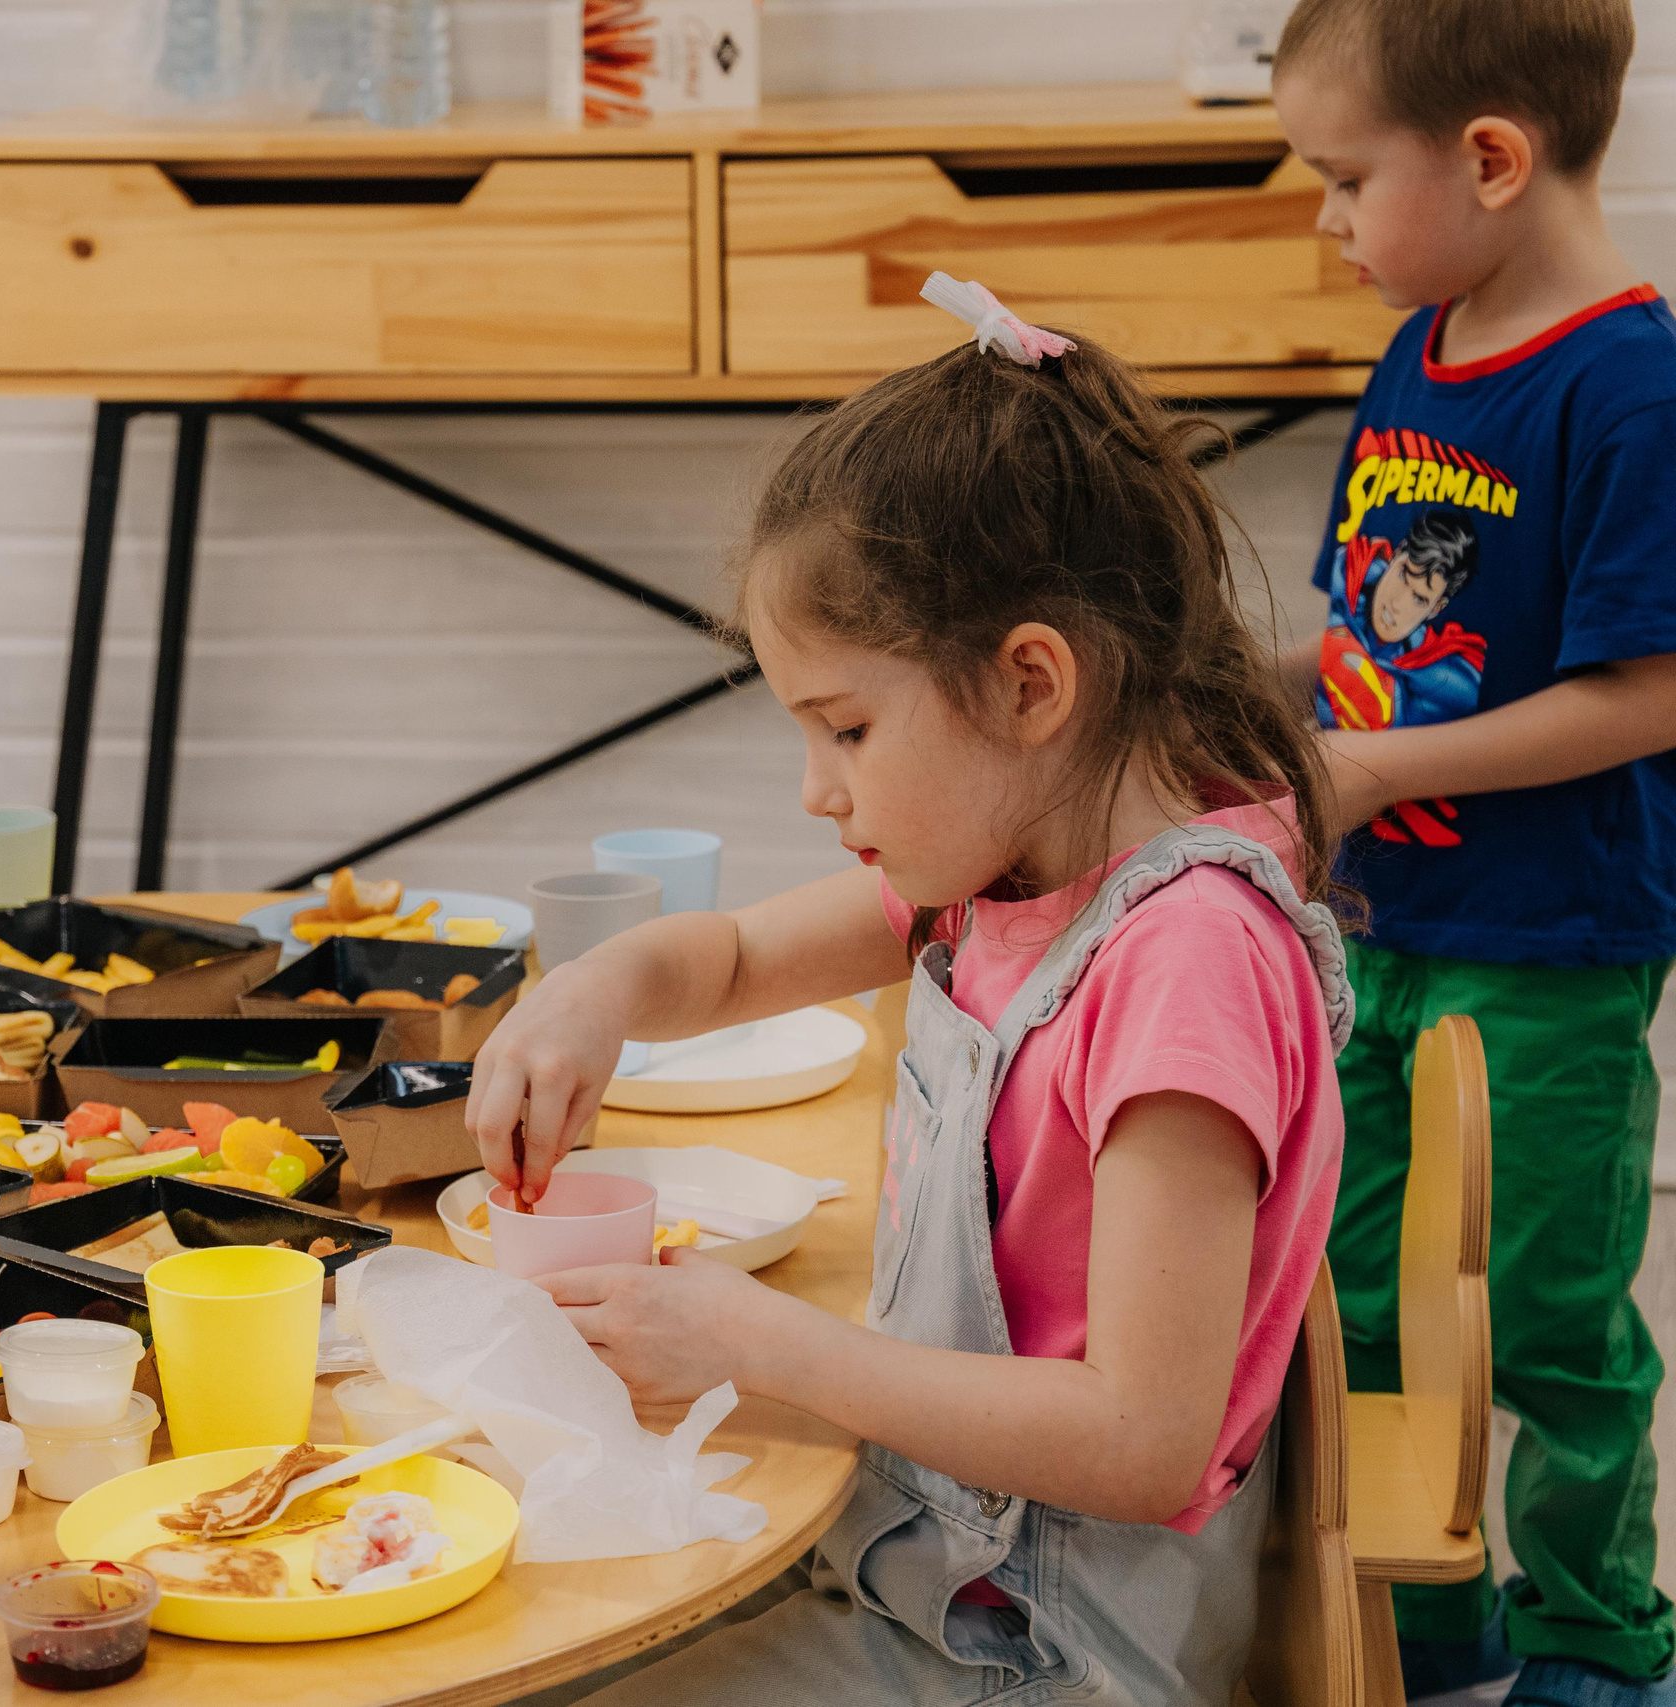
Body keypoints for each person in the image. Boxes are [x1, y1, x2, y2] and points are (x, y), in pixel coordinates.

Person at [466, 289, 1352, 1707]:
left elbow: (1144, 1437)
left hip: (1038, 1656)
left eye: (848, 730)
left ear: (1029, 685)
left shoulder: (1184, 962)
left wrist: (766, 1344)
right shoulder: (1010, 869)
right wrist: (596, 989)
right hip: (917, 1577)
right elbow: (740, 961)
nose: (817, 792)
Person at [1271, 1, 1676, 1698]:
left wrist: (1370, 769)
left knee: (1546, 1322)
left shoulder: (1628, 387)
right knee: (1361, 1290)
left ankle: (1599, 1635)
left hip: (1552, 944)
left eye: (1345, 177)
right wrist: (1236, 690)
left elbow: (1644, 694)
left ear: (1491, 158)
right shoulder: (1418, 350)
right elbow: (1361, 630)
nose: (1325, 217)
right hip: (1385, 917)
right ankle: (1426, 1608)